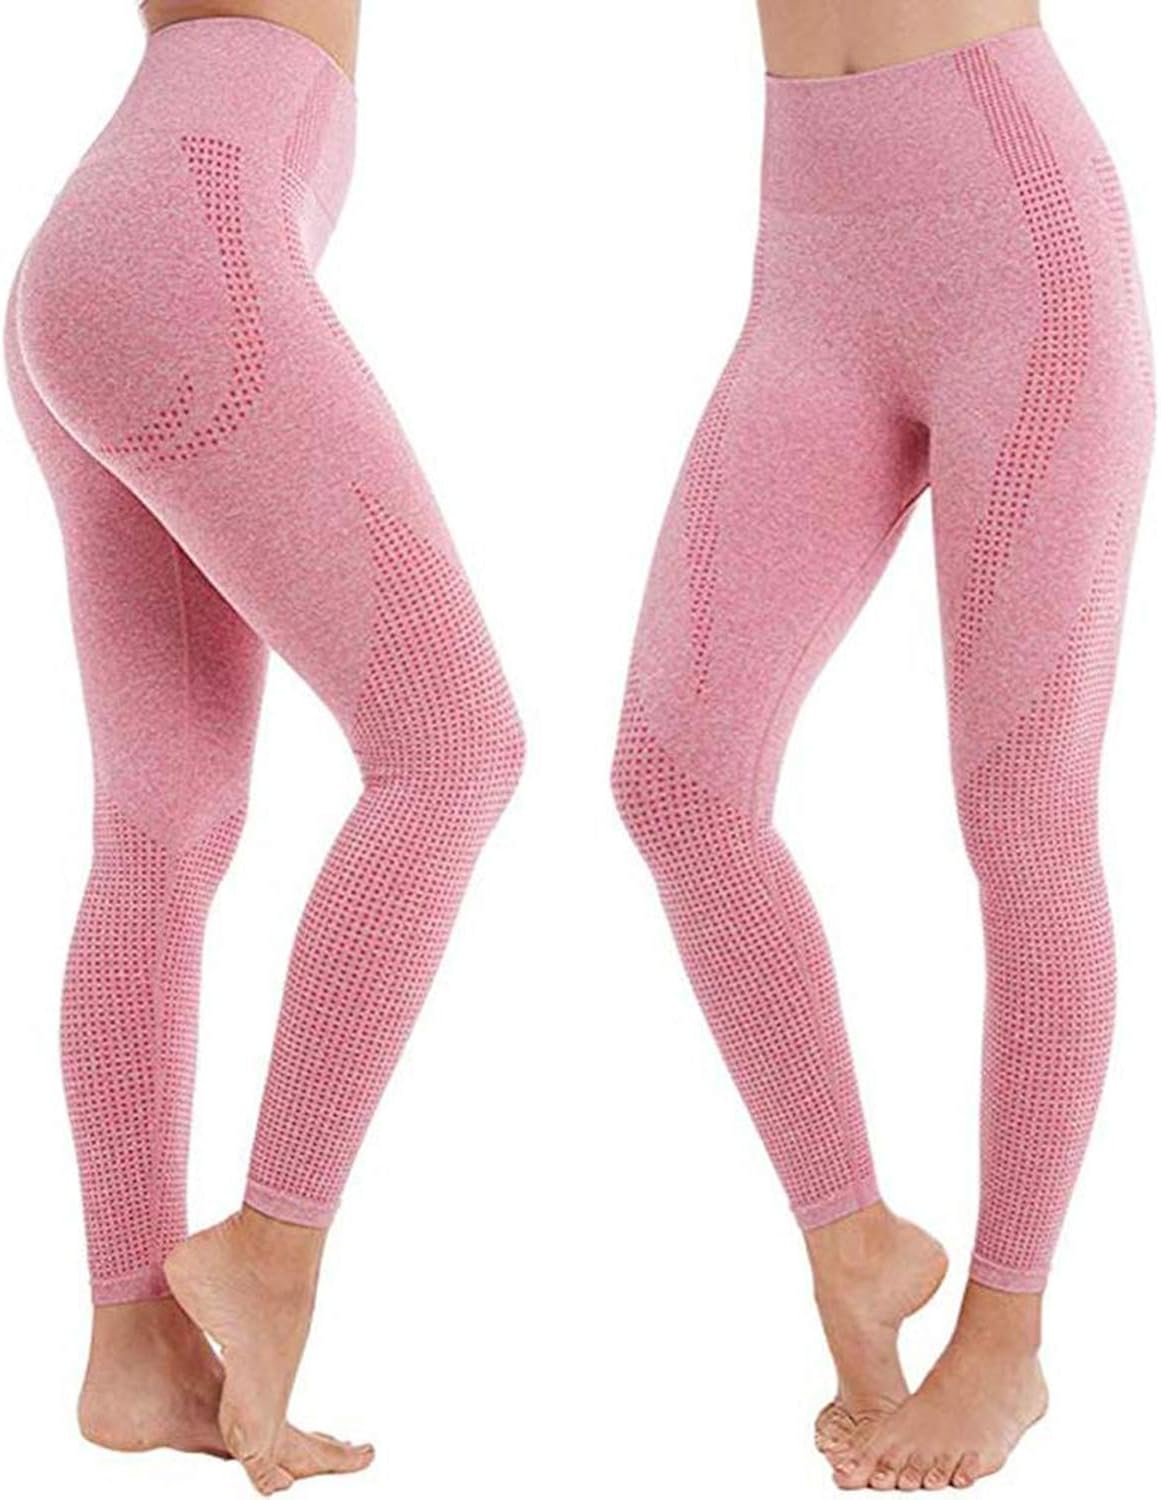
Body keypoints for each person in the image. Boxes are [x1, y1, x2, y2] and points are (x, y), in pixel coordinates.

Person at [612, 0, 1153, 1488]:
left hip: (1021, 247)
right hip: (807, 265)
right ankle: (853, 1237)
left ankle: (1006, 1331)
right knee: (675, 776)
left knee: (1024, 808)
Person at [6, 0, 523, 1491]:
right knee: (453, 749)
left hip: (113, 239)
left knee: (160, 827)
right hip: (188, 241)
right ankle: (272, 1249)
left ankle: (132, 1343)